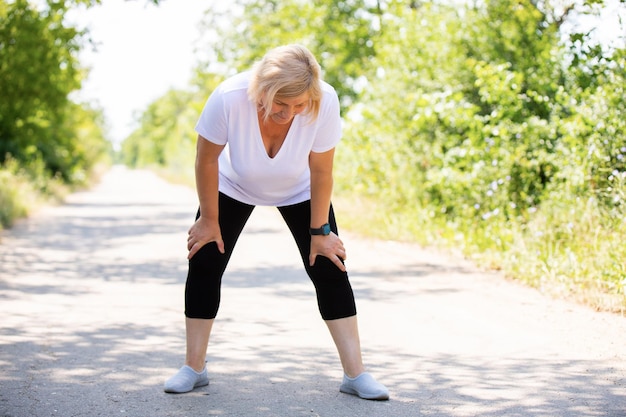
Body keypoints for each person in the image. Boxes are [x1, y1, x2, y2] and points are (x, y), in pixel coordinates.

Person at [163, 44, 389, 401]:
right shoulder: (228, 98)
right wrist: (208, 219)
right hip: (233, 183)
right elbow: (205, 160)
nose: (291, 113)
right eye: (281, 105)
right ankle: (194, 368)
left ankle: (355, 374)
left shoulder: (324, 101)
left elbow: (321, 169)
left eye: (299, 105)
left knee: (329, 263)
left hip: (299, 187)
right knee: (205, 257)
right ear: (262, 92)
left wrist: (320, 233)